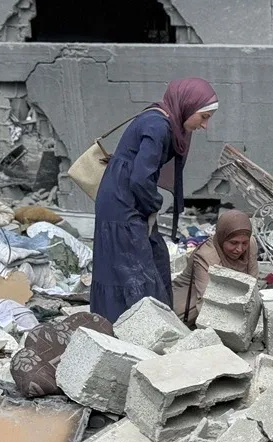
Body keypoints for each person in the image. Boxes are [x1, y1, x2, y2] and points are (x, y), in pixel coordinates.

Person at [90, 78, 219, 322]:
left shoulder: (162, 119)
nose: (204, 126)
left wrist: (149, 209)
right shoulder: (158, 126)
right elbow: (140, 178)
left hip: (129, 201)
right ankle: (135, 330)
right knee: (135, 270)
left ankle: (149, 326)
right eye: (203, 117)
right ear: (188, 107)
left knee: (153, 260)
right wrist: (153, 206)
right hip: (124, 205)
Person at [173, 209, 259, 326]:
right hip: (192, 294)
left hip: (228, 290)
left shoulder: (251, 243)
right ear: (222, 238)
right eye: (233, 243)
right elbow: (206, 301)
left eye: (244, 243)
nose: (239, 249)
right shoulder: (206, 256)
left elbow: (253, 283)